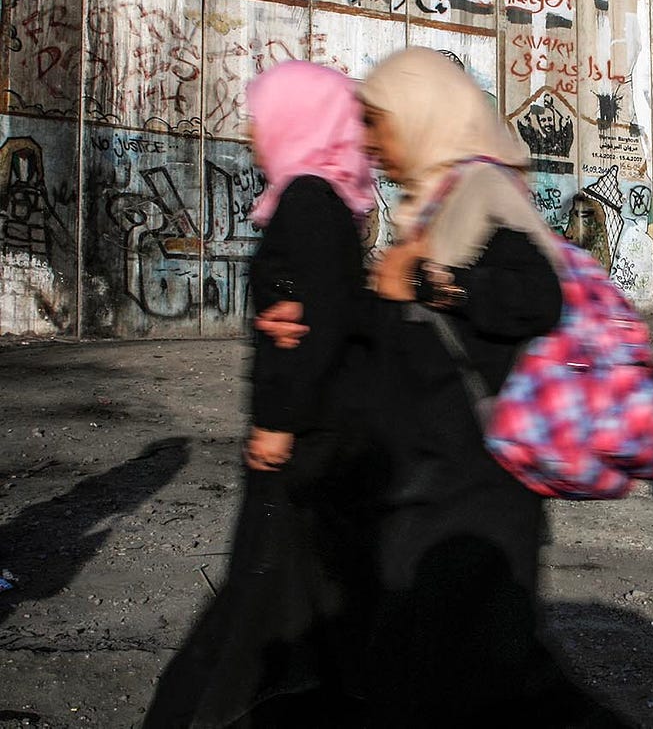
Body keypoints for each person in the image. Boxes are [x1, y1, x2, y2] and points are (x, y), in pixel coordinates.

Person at [351, 47, 627, 726]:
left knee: (485, 681)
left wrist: (429, 283)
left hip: (478, 490)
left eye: (377, 123)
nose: (369, 143)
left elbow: (538, 296)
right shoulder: (431, 203)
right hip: (435, 483)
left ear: (422, 115)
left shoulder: (483, 194)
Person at [144, 61, 378, 727]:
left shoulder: (306, 199)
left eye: (260, 115)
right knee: (292, 604)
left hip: (297, 444)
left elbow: (312, 325)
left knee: (252, 610)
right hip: (317, 440)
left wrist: (278, 420)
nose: (251, 130)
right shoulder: (325, 201)